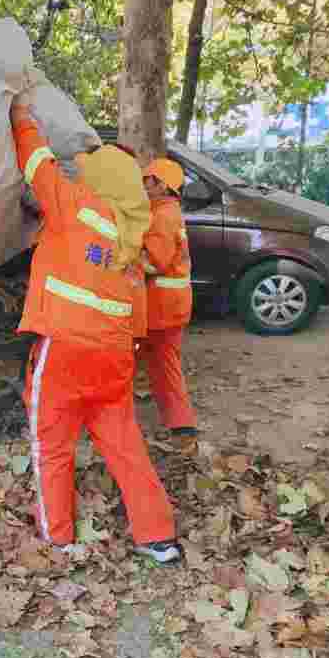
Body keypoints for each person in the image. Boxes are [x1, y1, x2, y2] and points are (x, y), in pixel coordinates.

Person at [11, 95, 180, 564]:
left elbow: (37, 161)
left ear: (99, 181)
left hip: (63, 352)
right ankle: (157, 537)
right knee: (125, 445)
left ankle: (57, 538)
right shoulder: (131, 241)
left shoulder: (73, 206)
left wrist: (21, 114)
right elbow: (139, 319)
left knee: (52, 445)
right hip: (114, 360)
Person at [139, 158, 198, 453]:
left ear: (162, 186)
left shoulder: (163, 216)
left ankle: (183, 429)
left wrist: (120, 257)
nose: (142, 183)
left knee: (165, 365)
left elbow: (154, 263)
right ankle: (177, 424)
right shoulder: (165, 211)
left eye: (147, 179)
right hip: (167, 305)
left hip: (163, 307)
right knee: (159, 362)